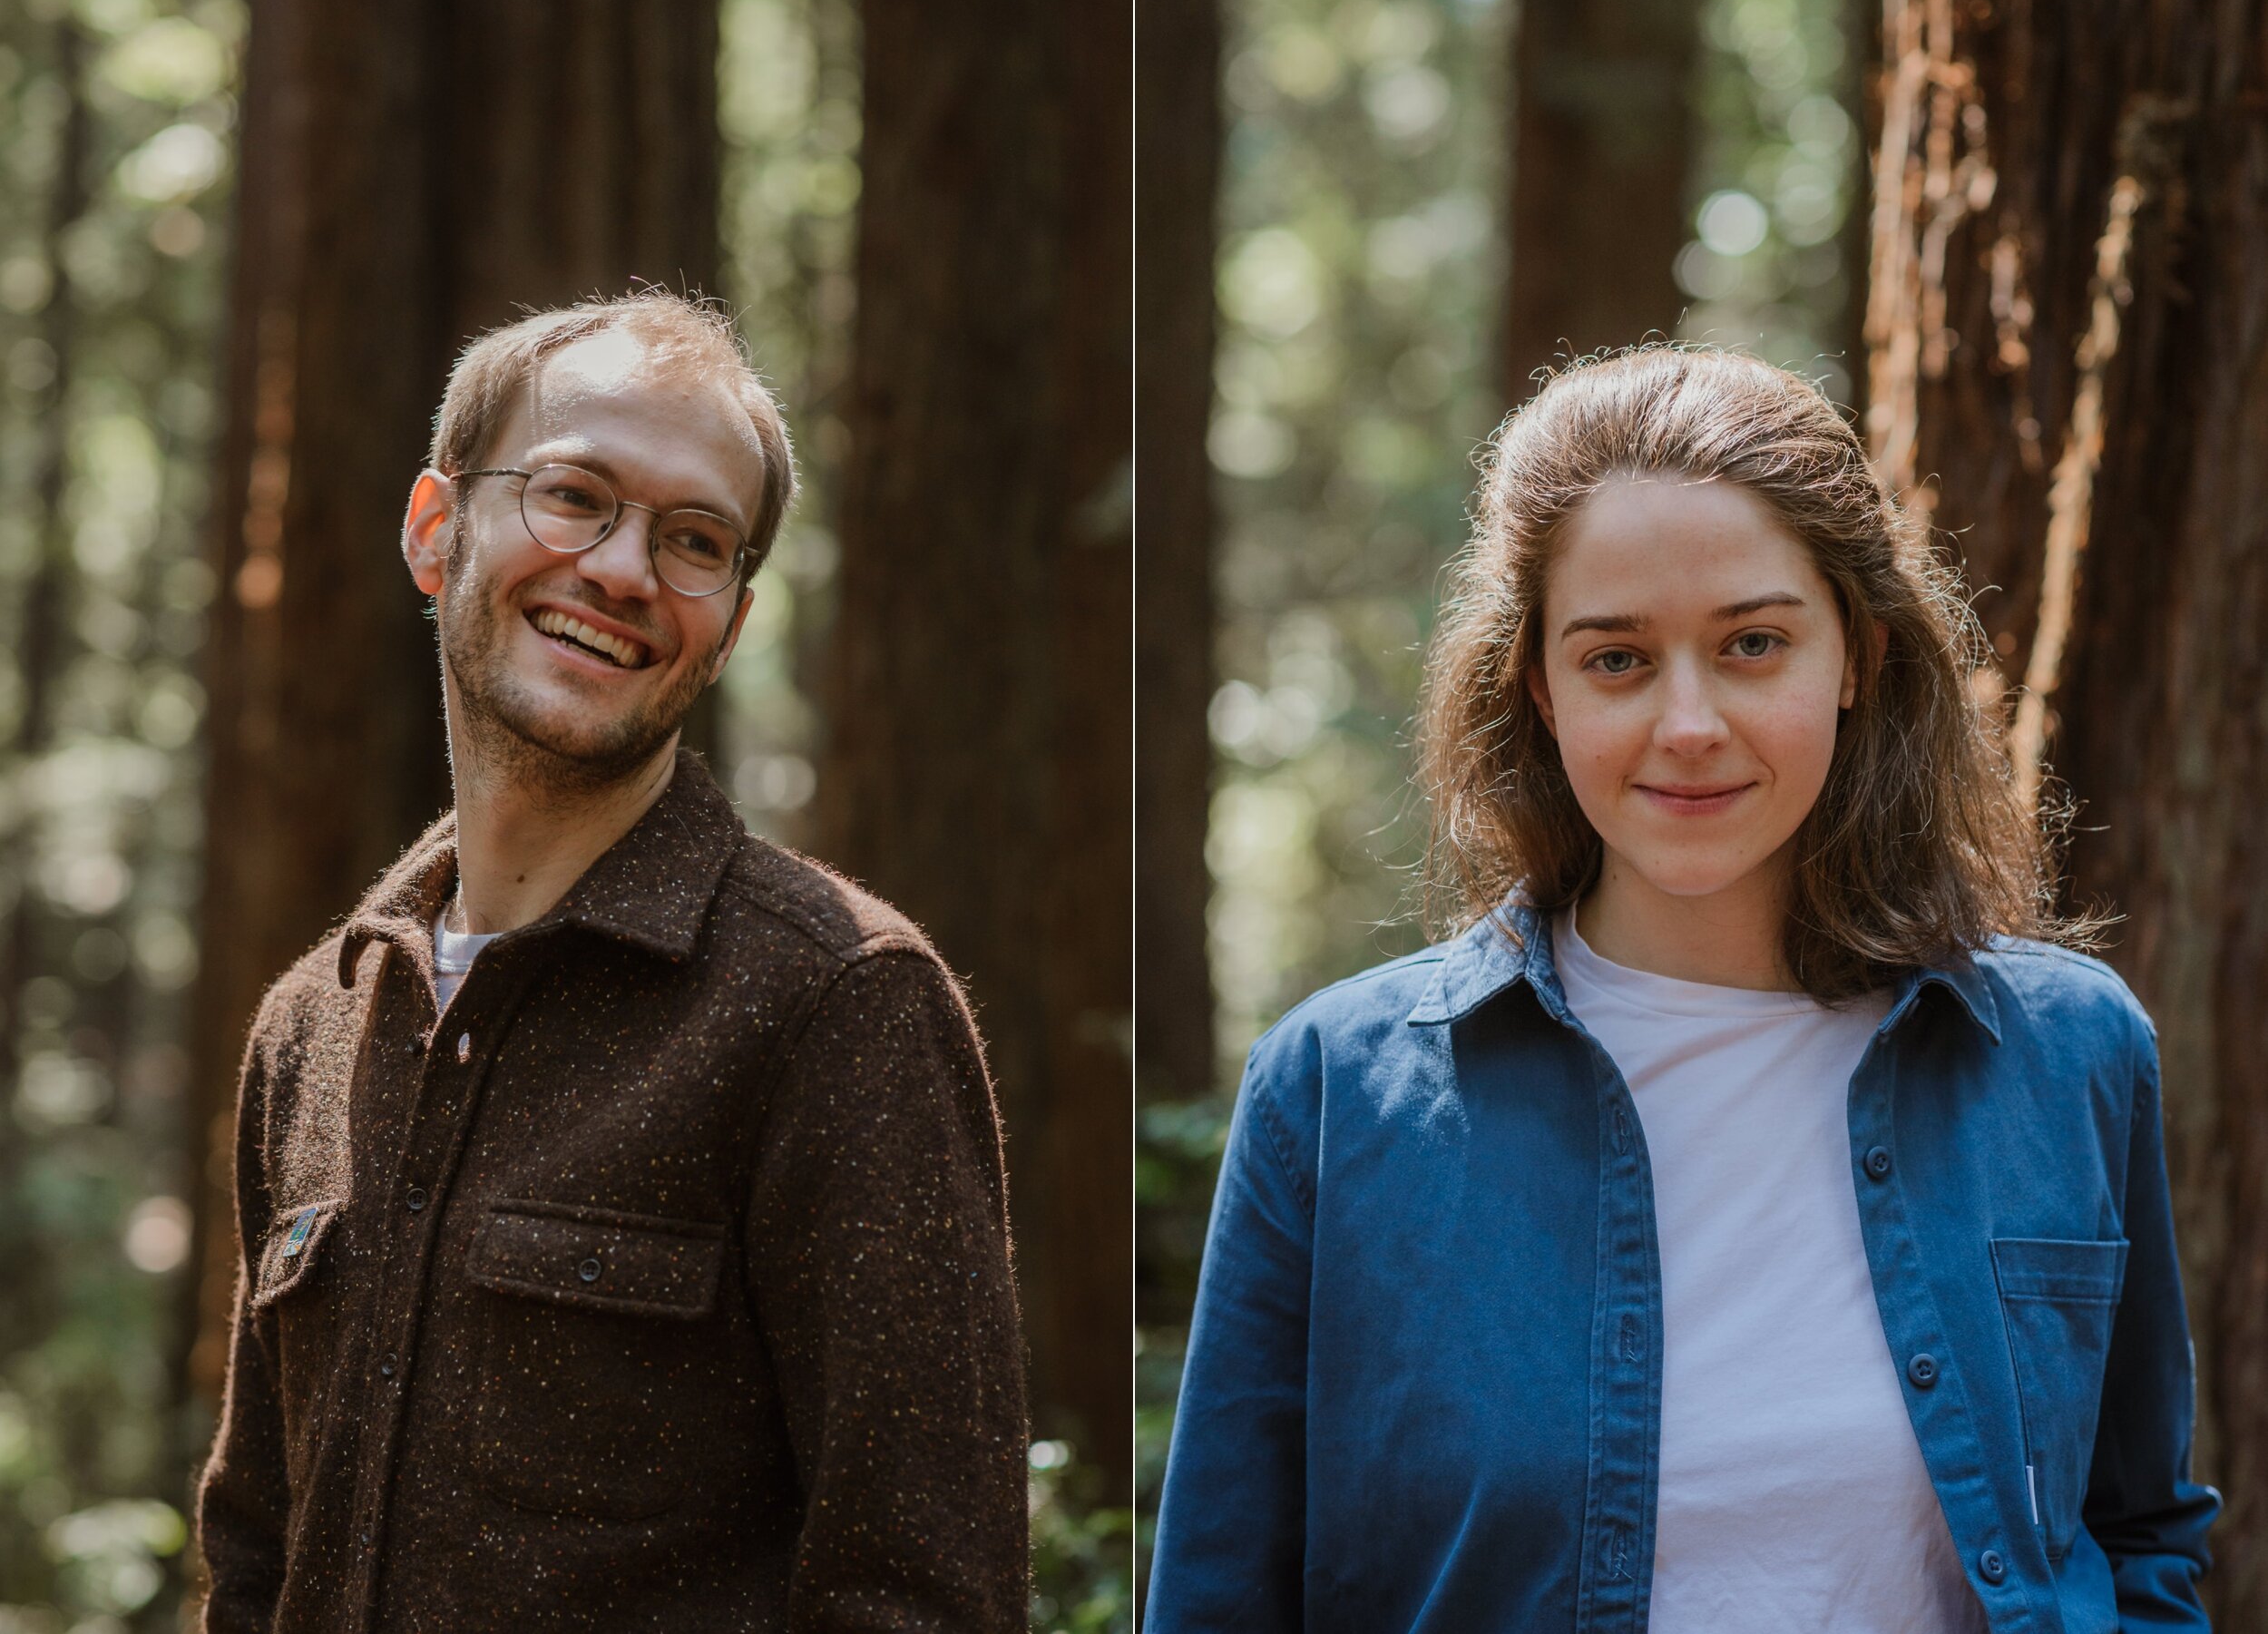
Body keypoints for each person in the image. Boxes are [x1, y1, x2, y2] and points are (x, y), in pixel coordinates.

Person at [1145, 346, 2218, 1632]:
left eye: (1753, 644)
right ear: (1539, 687)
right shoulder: (1334, 1092)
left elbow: (2137, 1531)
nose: (1689, 722)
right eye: (1617, 660)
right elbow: (1218, 1597)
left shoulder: (2068, 1054)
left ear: (1859, 656)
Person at [193, 291, 1029, 1632]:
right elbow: (254, 1549)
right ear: (435, 527)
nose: (625, 571)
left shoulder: (840, 1003)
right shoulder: (314, 1022)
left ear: (733, 622)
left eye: (694, 540)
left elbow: (921, 1595)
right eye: (574, 496)